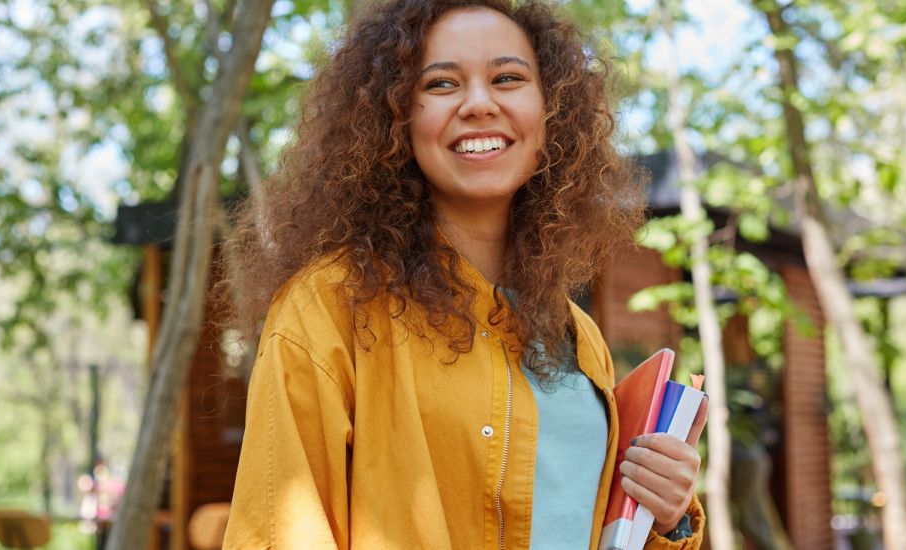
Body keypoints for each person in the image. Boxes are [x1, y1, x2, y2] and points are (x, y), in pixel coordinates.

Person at [222, 0, 708, 548]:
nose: (479, 103)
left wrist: (666, 519)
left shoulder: (577, 336)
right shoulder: (326, 309)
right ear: (396, 118)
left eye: (507, 77)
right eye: (442, 84)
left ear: (552, 115)